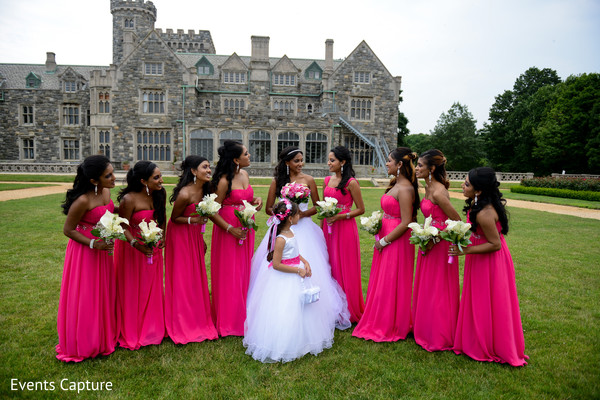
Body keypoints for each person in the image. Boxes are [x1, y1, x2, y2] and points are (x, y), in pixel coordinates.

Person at [256, 146, 351, 330]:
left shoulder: (309, 180)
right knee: (280, 263)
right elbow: (269, 208)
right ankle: (280, 309)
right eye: (296, 161)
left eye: (302, 160)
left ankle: (314, 310)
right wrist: (284, 215)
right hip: (284, 229)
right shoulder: (278, 181)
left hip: (305, 228)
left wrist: (302, 214)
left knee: (313, 265)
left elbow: (318, 206)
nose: (301, 164)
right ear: (287, 163)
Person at [245, 200, 347, 363]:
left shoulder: (292, 233)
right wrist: (297, 270)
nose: (301, 215)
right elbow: (277, 264)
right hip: (285, 277)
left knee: (303, 307)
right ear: (290, 218)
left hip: (297, 273)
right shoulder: (280, 239)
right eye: (298, 213)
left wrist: (305, 262)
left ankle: (304, 338)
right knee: (287, 308)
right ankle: (285, 341)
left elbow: (295, 253)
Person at [449, 167, 528, 366]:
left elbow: (495, 244)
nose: (462, 185)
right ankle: (474, 339)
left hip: (490, 261)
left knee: (488, 301)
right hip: (479, 257)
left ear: (479, 190)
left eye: (467, 183)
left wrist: (465, 251)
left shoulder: (485, 212)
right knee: (477, 299)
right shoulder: (479, 204)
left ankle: (489, 344)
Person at [352, 147, 419, 342]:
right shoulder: (395, 184)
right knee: (382, 278)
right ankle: (379, 316)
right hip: (386, 234)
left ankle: (392, 322)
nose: (386, 163)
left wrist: (384, 240)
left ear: (399, 164)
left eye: (389, 160)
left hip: (396, 240)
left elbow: (406, 222)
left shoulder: (406, 188)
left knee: (391, 279)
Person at [57, 155, 117, 362]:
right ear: (93, 180)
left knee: (103, 292)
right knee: (87, 294)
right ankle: (84, 340)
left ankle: (102, 336)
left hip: (104, 249)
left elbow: (108, 210)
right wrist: (94, 244)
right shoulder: (82, 200)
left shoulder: (107, 191)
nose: (114, 177)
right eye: (108, 175)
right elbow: (68, 230)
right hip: (85, 252)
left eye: (112, 172)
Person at [210, 140, 263, 337]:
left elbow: (246, 198)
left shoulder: (245, 174)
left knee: (243, 271)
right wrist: (230, 228)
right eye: (246, 154)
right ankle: (228, 319)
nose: (249, 156)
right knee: (229, 272)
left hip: (246, 228)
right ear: (235, 159)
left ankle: (242, 312)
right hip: (228, 231)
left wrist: (255, 200)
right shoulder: (224, 181)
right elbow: (211, 210)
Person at [164, 155, 218, 344]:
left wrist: (200, 237)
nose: (209, 170)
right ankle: (182, 321)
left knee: (196, 276)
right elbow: (174, 219)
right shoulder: (185, 194)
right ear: (194, 171)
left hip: (194, 235)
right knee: (183, 277)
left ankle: (197, 318)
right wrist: (192, 220)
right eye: (205, 167)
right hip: (179, 236)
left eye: (209, 166)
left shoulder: (205, 190)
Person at [412, 149, 461, 351]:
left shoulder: (439, 192)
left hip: (440, 246)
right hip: (428, 242)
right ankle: (425, 327)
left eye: (420, 166)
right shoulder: (427, 186)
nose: (416, 168)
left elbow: (456, 221)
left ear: (431, 168)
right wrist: (424, 235)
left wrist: (435, 238)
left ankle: (439, 334)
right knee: (428, 286)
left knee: (439, 288)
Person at [114, 161, 166, 350]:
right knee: (133, 287)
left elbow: (162, 217)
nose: (161, 180)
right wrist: (136, 245)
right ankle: (133, 328)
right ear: (143, 181)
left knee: (151, 286)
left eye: (160, 176)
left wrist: (163, 236)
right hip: (132, 248)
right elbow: (122, 227)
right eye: (156, 177)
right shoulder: (129, 199)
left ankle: (153, 328)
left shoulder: (160, 193)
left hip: (153, 246)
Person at [322, 146, 365, 323]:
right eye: (329, 160)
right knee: (329, 264)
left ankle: (348, 309)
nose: (329, 163)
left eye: (332, 160)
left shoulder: (351, 183)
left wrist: (340, 216)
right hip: (328, 227)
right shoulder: (326, 180)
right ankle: (330, 307)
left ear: (343, 162)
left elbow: (361, 209)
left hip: (345, 228)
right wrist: (321, 227)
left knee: (344, 266)